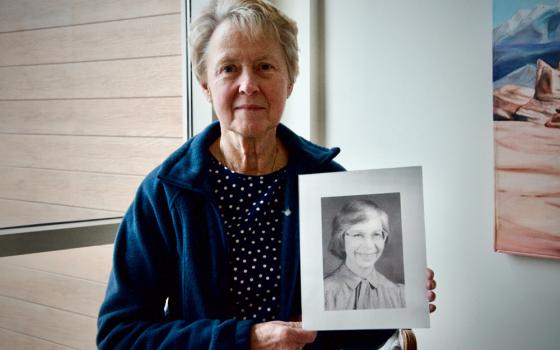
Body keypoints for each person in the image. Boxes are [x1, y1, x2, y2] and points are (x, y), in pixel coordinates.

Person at [96, 0, 436, 349]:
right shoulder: (166, 192)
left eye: (264, 66)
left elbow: (353, 335)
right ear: (205, 85)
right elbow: (120, 336)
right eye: (228, 68)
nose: (248, 84)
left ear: (289, 81)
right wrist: (248, 340)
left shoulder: (331, 184)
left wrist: (390, 304)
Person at [324, 199, 405, 311]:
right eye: (358, 235)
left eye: (376, 234)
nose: (368, 246)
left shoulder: (399, 295)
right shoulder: (323, 294)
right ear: (342, 238)